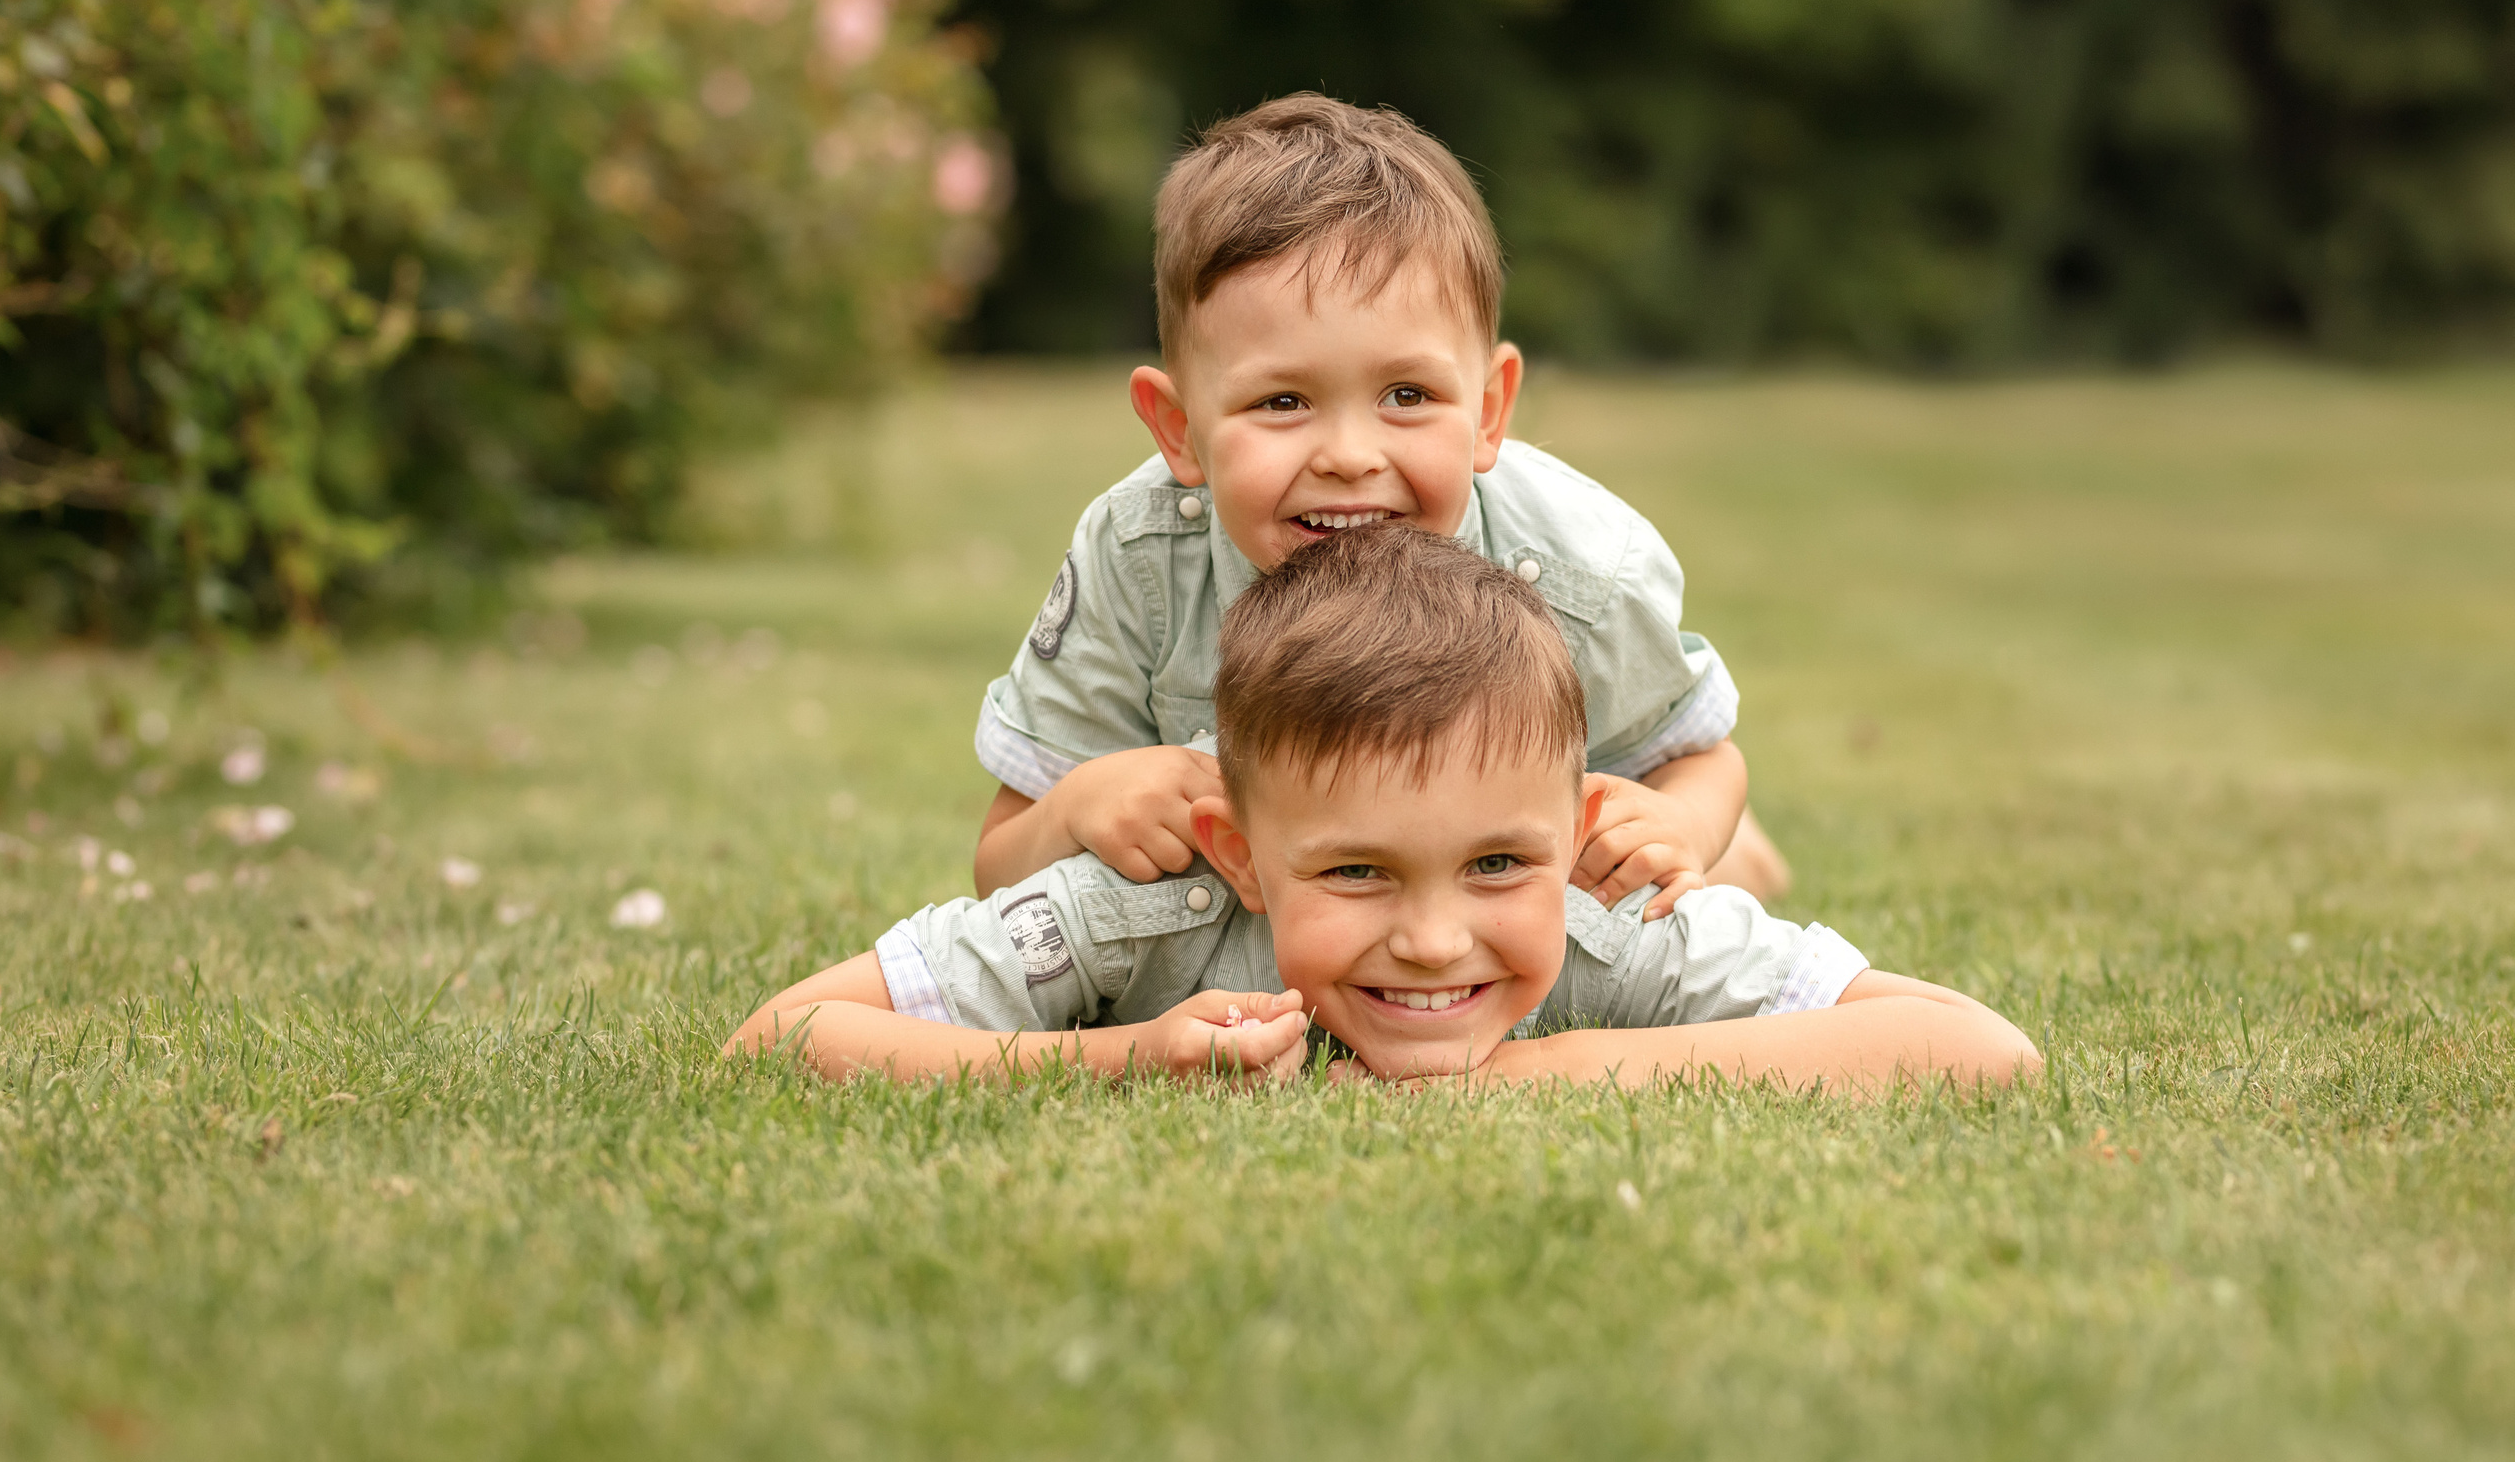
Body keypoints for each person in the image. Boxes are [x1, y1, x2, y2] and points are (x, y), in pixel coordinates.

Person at [730, 526, 2038, 1094]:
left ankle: (1744, 846)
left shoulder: (1596, 912)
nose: (1432, 937)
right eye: (1356, 872)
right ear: (1242, 854)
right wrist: (1118, 1059)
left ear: (1570, 827)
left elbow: (1980, 1051)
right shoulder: (1152, 904)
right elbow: (778, 1040)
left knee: (1721, 879)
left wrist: (1539, 1071)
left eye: (1491, 861)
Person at [969, 93, 1790, 924]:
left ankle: (1750, 851)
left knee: (1704, 885)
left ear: (1489, 409)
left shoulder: (1576, 564)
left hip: (1525, 874)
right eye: (1283, 401)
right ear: (1180, 430)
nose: (1350, 455)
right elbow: (1000, 862)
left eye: (1407, 394)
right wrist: (1076, 805)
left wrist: (1686, 819)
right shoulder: (1139, 558)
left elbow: (1702, 759)